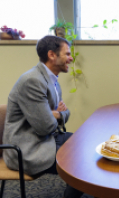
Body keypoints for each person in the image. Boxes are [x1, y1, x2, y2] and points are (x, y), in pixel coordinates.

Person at [3, 35, 83, 198]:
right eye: (67, 54)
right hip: (27, 148)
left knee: (85, 144)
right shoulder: (32, 81)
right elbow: (45, 126)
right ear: (52, 55)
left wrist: (55, 114)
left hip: (46, 137)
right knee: (79, 163)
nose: (71, 58)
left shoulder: (51, 79)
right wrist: (55, 115)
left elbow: (64, 114)